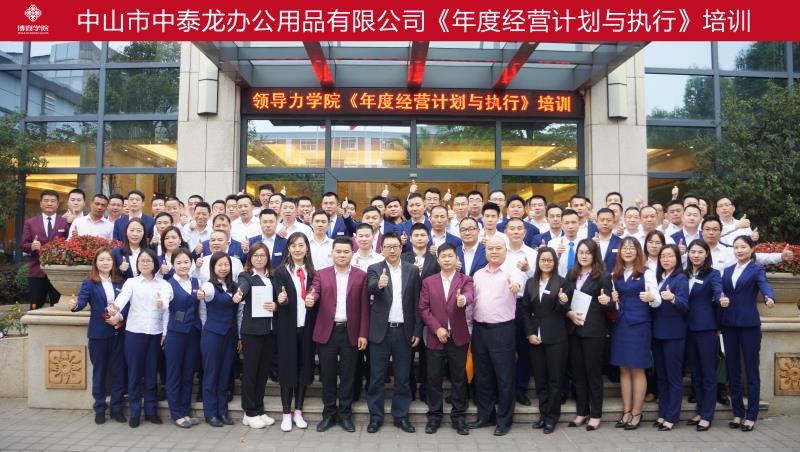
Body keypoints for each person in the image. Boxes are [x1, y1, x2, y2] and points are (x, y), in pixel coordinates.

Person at [309, 237, 369, 433]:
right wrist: (311, 297)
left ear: (352, 254)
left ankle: (345, 414)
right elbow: (314, 291)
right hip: (327, 331)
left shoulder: (361, 276)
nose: (342, 255)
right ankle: (328, 414)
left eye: (346, 252)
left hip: (351, 332)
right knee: (327, 375)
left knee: (348, 375)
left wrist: (363, 333)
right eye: (338, 251)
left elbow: (365, 307)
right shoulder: (321, 274)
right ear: (332, 253)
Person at [469, 236, 525, 436]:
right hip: (480, 330)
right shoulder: (478, 274)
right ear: (485, 252)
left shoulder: (512, 271)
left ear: (505, 250)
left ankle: (504, 420)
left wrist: (515, 286)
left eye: (498, 248)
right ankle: (485, 416)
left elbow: (518, 284)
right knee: (482, 376)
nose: (494, 252)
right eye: (490, 249)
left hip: (502, 330)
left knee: (504, 376)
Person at [366, 233, 422, 434]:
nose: (392, 250)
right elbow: (370, 288)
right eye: (388, 246)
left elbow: (417, 302)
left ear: (401, 248)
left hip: (404, 331)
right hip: (380, 332)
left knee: (403, 377)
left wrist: (417, 330)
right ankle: (376, 417)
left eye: (395, 246)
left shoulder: (412, 270)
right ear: (381, 249)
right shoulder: (374, 268)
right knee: (377, 377)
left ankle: (401, 416)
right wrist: (379, 285)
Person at [108, 247, 170, 428]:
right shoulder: (132, 283)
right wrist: (114, 308)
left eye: (148, 260)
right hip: (134, 332)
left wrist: (164, 329)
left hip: (155, 334)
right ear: (137, 264)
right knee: (134, 373)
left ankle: (151, 411)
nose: (145, 263)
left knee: (151, 374)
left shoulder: (164, 284)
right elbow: (122, 299)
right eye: (142, 260)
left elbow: (166, 307)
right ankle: (135, 412)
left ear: (155, 264)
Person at [720, 236, 776, 432]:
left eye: (743, 247)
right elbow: (721, 292)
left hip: (749, 325)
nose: (739, 250)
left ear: (752, 249)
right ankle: (737, 413)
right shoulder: (727, 270)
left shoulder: (757, 269)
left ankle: (751, 415)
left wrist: (769, 297)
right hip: (729, 324)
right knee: (732, 370)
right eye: (736, 247)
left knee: (751, 370)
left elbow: (764, 285)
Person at [419, 243, 474, 435]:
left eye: (451, 256)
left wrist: (463, 300)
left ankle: (458, 417)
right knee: (434, 379)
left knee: (459, 379)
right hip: (436, 337)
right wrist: (437, 328)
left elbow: (469, 295)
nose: (447, 259)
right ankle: (434, 416)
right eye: (443, 256)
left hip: (458, 337)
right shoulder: (429, 281)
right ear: (438, 259)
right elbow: (423, 308)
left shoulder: (465, 280)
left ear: (457, 259)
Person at [68, 246, 126, 425]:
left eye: (108, 259)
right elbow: (82, 302)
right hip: (98, 335)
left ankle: (116, 409)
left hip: (118, 332)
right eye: (101, 260)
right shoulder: (89, 282)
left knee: (118, 373)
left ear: (113, 262)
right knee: (100, 372)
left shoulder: (120, 281)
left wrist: (119, 317)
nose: (105, 263)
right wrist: (74, 306)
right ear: (96, 263)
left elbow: (126, 305)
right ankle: (100, 408)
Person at [610, 237, 661, 430]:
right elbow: (613, 302)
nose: (628, 251)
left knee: (637, 368)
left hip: (639, 325)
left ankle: (637, 412)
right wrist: (612, 299)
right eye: (625, 248)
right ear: (620, 252)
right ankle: (626, 411)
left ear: (638, 251)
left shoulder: (646, 273)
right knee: (624, 368)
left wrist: (651, 297)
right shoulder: (615, 274)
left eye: (632, 248)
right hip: (620, 325)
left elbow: (657, 300)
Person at [522, 247, 572, 434]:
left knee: (555, 380)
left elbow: (563, 311)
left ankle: (552, 417)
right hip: (535, 337)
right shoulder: (531, 282)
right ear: (538, 261)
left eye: (550, 260)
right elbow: (525, 310)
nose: (546, 263)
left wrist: (563, 301)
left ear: (555, 262)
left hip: (556, 337)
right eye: (543, 259)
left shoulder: (562, 282)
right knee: (540, 380)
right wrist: (529, 333)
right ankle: (543, 415)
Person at [565, 239, 613, 431]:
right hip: (573, 329)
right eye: (581, 252)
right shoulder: (571, 274)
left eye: (588, 252)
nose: (584, 256)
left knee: (593, 374)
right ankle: (581, 412)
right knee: (578, 373)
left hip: (593, 330)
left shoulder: (603, 276)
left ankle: (595, 414)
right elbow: (564, 299)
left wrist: (606, 301)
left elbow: (609, 306)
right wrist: (568, 312)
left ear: (595, 255)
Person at [272, 232, 318, 432]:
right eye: (293, 245)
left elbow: (318, 299)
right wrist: (281, 300)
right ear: (288, 249)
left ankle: (298, 411)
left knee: (304, 368)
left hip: (306, 328)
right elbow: (277, 297)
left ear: (307, 248)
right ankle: (286, 413)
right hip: (287, 329)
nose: (297, 249)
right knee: (287, 369)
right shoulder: (280, 272)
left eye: (301, 245)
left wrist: (313, 301)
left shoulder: (313, 273)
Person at [236, 243, 278, 429]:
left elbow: (279, 298)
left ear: (267, 258)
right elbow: (243, 287)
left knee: (263, 372)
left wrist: (277, 305)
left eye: (262, 255)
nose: (259, 258)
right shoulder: (246, 276)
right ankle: (249, 412)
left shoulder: (273, 277)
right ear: (250, 258)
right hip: (252, 331)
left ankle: (259, 409)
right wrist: (239, 293)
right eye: (255, 255)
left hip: (269, 331)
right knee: (251, 372)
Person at [196, 252, 241, 427]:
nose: (223, 268)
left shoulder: (234, 287)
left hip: (230, 336)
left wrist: (238, 337)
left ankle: (222, 411)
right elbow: (204, 293)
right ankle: (210, 413)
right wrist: (201, 293)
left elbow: (238, 313)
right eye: (219, 265)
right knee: (211, 374)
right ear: (213, 267)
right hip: (212, 335)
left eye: (226, 265)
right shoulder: (209, 286)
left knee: (225, 374)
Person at [684, 239, 723, 431]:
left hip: (706, 329)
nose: (696, 255)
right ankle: (700, 410)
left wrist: (721, 297)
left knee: (708, 372)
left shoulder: (713, 274)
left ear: (706, 254)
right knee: (695, 372)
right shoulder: (683, 274)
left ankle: (707, 414)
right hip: (686, 329)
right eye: (693, 252)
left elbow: (718, 292)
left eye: (700, 252)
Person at [161, 248, 202, 429]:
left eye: (186, 262)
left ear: (191, 263)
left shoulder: (196, 281)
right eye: (179, 262)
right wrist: (161, 304)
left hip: (193, 332)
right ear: (173, 265)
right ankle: (176, 413)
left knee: (188, 373)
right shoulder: (168, 284)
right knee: (174, 373)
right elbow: (164, 305)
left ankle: (185, 411)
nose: (183, 265)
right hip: (176, 333)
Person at [652, 245, 689, 431]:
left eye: (670, 256)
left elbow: (684, 305)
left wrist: (673, 297)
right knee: (661, 375)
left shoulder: (680, 278)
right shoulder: (658, 278)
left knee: (673, 376)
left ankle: (672, 416)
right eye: (663, 256)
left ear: (677, 258)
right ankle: (663, 413)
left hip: (674, 334)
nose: (665, 259)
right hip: (658, 332)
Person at [22, 190, 70, 310]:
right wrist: (32, 246)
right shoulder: (30, 223)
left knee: (59, 308)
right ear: (40, 203)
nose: (49, 203)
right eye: (46, 201)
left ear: (57, 204)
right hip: (37, 272)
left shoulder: (65, 222)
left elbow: (71, 244)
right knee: (35, 307)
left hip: (59, 272)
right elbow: (23, 245)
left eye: (53, 201)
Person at [549, 209, 581, 277]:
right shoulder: (552, 244)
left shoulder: (584, 243)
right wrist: (557, 255)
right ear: (561, 225)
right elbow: (548, 267)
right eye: (567, 223)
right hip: (559, 281)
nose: (570, 226)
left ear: (579, 224)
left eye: (573, 222)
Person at [594, 208, 622, 273]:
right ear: (596, 222)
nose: (605, 223)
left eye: (609, 220)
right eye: (602, 220)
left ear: (614, 222)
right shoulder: (590, 242)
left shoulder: (620, 242)